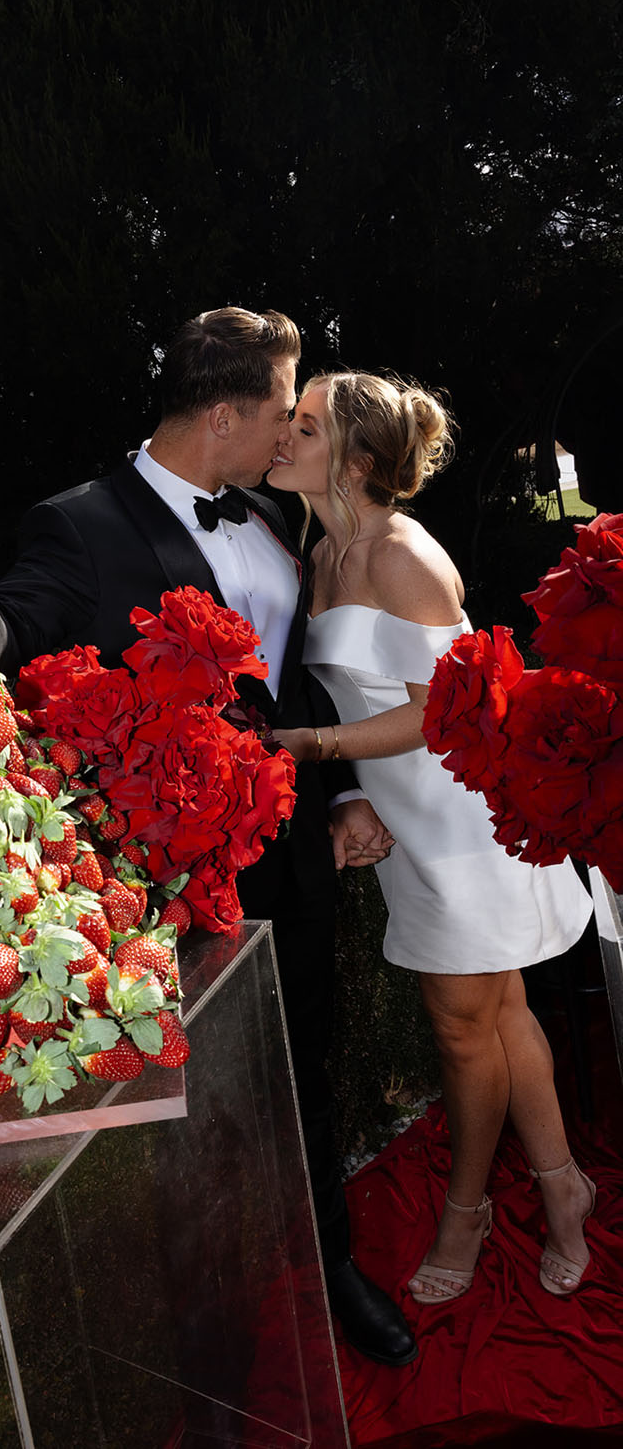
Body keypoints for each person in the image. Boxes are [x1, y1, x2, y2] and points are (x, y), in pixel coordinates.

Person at [0, 307, 419, 1367]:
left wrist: (339, 795)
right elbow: (22, 616)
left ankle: (329, 1265)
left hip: (294, 851)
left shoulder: (272, 518)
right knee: (193, 1111)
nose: (292, 431)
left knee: (308, 1067)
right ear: (228, 416)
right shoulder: (79, 523)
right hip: (170, 878)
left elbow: (298, 678)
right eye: (284, 412)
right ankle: (210, 1331)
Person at [269, 371, 596, 1303]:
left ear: (357, 458)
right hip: (403, 819)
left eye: (306, 425)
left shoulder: (402, 554)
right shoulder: (318, 549)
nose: (284, 436)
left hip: (461, 815)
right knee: (497, 1012)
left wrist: (316, 747)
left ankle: (468, 1207)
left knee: (461, 1031)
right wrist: (346, 784)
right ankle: (562, 1185)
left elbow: (447, 710)